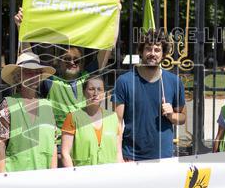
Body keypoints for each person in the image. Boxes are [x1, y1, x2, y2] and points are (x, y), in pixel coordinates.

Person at [113, 30, 186, 161]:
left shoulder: (174, 82)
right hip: (131, 156)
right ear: (141, 52)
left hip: (164, 156)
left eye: (157, 50)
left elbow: (183, 118)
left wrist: (172, 115)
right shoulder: (124, 81)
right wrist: (119, 156)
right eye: (148, 49)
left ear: (163, 54)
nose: (152, 53)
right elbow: (116, 122)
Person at [0, 52, 58, 172]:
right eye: (28, 72)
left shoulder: (48, 106)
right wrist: (1, 177)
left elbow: (53, 144)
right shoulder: (8, 104)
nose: (33, 75)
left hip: (44, 178)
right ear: (19, 76)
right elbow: (0, 144)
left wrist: (54, 173)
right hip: (16, 179)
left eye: (37, 72)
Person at [61, 75, 123, 167]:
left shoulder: (113, 117)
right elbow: (65, 153)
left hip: (110, 175)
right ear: (84, 92)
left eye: (99, 89)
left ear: (104, 93)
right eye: (91, 89)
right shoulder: (73, 117)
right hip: (83, 176)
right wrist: (73, 177)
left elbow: (118, 152)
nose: (95, 93)